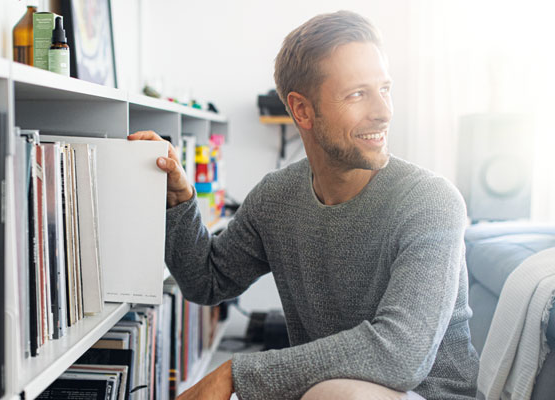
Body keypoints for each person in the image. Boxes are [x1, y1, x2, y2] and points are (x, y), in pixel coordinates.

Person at [129, 10, 479, 400]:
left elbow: (399, 355)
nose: (383, 111)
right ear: (302, 110)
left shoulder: (431, 202)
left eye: (385, 88)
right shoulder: (277, 198)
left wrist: (234, 375)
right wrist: (179, 202)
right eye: (358, 94)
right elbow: (207, 281)